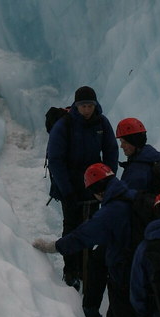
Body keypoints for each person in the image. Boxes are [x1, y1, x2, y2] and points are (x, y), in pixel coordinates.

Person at [33, 164, 151, 317]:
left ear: (98, 191)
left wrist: (55, 246)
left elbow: (83, 236)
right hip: (144, 269)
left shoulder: (111, 212)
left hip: (124, 273)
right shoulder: (134, 196)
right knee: (125, 316)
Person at [46, 86, 118, 299]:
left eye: (89, 105)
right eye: (83, 106)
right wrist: (67, 191)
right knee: (71, 226)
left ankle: (85, 269)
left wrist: (107, 181)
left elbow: (111, 150)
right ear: (76, 106)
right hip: (70, 186)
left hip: (94, 186)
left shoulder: (102, 123)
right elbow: (56, 160)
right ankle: (71, 271)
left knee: (91, 227)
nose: (86, 110)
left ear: (95, 105)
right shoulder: (64, 125)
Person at [115, 117, 160, 191]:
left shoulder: (136, 171)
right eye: (121, 142)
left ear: (134, 141)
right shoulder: (153, 160)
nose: (121, 146)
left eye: (125, 142)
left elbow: (127, 196)